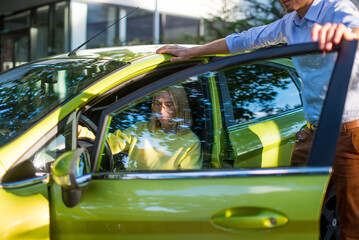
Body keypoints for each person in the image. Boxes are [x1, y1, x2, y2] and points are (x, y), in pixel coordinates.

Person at [156, 0, 359, 239]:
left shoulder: (337, 8)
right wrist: (193, 51)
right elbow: (245, 40)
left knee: (351, 225)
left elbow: (354, 28)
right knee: (295, 215)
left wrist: (346, 33)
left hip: (348, 133)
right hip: (313, 131)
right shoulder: (290, 23)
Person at [79, 86, 202, 171]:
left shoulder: (190, 142)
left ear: (180, 107)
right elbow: (108, 144)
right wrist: (82, 132)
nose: (161, 111)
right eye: (158, 104)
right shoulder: (140, 129)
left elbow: (185, 183)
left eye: (169, 105)